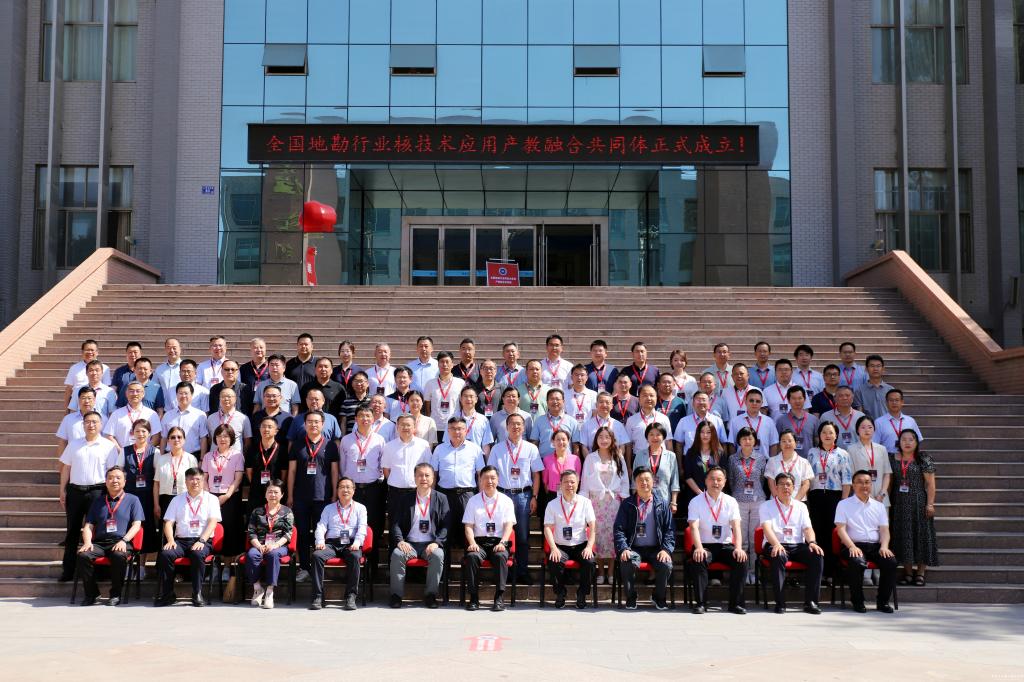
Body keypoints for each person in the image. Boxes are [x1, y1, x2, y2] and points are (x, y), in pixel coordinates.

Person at [58, 411, 120, 582]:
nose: (91, 425)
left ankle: (99, 572)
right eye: (88, 422)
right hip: (75, 491)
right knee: (72, 531)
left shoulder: (108, 446)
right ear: (83, 424)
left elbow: (112, 473)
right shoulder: (74, 444)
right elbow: (66, 468)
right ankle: (68, 571)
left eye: (94, 422)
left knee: (99, 532)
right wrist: (62, 490)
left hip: (98, 492)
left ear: (100, 425)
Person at [75, 466, 144, 606]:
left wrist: (124, 540)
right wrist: (87, 542)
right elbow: (88, 526)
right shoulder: (98, 501)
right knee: (83, 555)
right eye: (110, 478)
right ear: (106, 482)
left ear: (125, 481)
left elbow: (137, 525)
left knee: (118, 555)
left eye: (118, 478)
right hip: (100, 543)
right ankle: (92, 594)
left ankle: (115, 594)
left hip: (122, 542)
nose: (114, 481)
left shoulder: (133, 500)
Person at [488, 413, 543, 584]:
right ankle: (504, 572)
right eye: (512, 424)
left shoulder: (531, 448)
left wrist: (534, 496)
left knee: (522, 536)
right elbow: (491, 474)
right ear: (506, 427)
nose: (516, 427)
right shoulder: (497, 449)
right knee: (501, 534)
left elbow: (536, 475)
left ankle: (522, 572)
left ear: (524, 427)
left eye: (519, 424)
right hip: (502, 495)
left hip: (523, 496)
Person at [154, 467, 222, 607]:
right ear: (185, 481)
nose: (195, 482)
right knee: (166, 554)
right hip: (180, 541)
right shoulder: (177, 500)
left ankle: (197, 593)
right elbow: (168, 523)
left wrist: (202, 540)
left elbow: (213, 522)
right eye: (191, 479)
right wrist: (170, 540)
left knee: (197, 554)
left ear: (203, 481)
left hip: (202, 540)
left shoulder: (212, 499)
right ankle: (168, 594)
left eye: (198, 479)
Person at [758, 472, 824, 614]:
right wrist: (776, 544)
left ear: (794, 487)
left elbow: (807, 528)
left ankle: (811, 602)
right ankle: (780, 603)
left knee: (816, 555)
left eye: (788, 484)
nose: (785, 487)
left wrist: (812, 542)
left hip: (797, 546)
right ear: (775, 487)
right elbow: (767, 529)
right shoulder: (766, 506)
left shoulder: (801, 506)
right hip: (774, 544)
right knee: (778, 555)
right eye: (781, 484)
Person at [834, 470, 898, 613]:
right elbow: (840, 529)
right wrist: (851, 546)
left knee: (890, 562)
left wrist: (884, 546)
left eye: (867, 482)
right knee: (857, 562)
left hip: (875, 546)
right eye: (860, 482)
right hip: (852, 545)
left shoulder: (879, 506)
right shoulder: (843, 504)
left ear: (871, 485)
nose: (864, 485)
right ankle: (857, 601)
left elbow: (884, 530)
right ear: (853, 485)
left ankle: (883, 602)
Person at [686, 466, 747, 614]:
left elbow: (736, 526)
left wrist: (738, 548)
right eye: (712, 479)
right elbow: (693, 527)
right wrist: (698, 548)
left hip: (725, 546)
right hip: (704, 545)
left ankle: (735, 604)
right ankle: (701, 603)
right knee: (699, 558)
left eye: (719, 479)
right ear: (705, 481)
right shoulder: (696, 501)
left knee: (741, 559)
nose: (716, 482)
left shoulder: (731, 501)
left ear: (724, 482)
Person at [388, 463, 450, 609]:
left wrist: (437, 542)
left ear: (433, 478)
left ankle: (431, 595)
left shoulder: (441, 498)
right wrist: (400, 541)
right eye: (420, 475)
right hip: (410, 544)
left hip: (430, 543)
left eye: (427, 475)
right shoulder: (405, 499)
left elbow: (446, 525)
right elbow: (396, 523)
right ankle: (396, 595)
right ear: (414, 478)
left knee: (438, 555)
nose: (424, 478)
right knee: (397, 554)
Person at [289, 411, 341, 581]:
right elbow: (292, 471)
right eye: (310, 421)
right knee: (303, 534)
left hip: (323, 498)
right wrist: (290, 495)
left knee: (321, 535)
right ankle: (304, 567)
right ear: (304, 424)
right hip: (300, 497)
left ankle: (319, 568)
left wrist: (334, 494)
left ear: (322, 424)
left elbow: (334, 471)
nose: (313, 425)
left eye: (317, 422)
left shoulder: (331, 445)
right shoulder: (297, 445)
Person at [614, 467, 674, 610]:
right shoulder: (628, 504)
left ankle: (658, 597)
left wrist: (666, 549)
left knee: (666, 564)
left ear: (653, 481)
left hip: (656, 549)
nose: (644, 483)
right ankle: (631, 597)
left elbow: (669, 530)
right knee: (627, 561)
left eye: (647, 479)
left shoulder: (661, 504)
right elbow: (619, 529)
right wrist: (624, 548)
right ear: (635, 483)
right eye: (640, 480)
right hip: (634, 549)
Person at [461, 466, 517, 611]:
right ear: (480, 480)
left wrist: (503, 542)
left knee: (500, 556)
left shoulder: (506, 500)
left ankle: (499, 597)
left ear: (498, 480)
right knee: (472, 556)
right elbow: (468, 526)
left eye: (493, 478)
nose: (489, 481)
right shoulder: (473, 501)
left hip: (499, 542)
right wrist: (472, 543)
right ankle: (474, 598)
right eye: (486, 478)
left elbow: (509, 525)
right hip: (478, 542)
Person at [580, 426, 630, 584]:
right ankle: (600, 570)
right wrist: (584, 500)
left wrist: (624, 498)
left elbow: (625, 479)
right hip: (596, 502)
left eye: (607, 437)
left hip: (614, 502)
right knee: (597, 535)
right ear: (596, 439)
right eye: (600, 437)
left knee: (612, 535)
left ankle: (611, 571)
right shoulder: (591, 458)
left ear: (612, 439)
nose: (604, 440)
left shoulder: (618, 457)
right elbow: (585, 480)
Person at [339, 406, 387, 570]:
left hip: (373, 489)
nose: (365, 419)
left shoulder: (379, 440)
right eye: (361, 416)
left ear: (373, 419)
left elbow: (382, 464)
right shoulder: (346, 440)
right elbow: (342, 465)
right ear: (356, 419)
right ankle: (353, 567)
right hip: (352, 491)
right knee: (351, 525)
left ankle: (373, 568)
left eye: (368, 416)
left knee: (373, 527)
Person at [890, 429, 938, 586]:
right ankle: (908, 572)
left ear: (916, 442)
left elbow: (930, 484)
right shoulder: (892, 458)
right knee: (904, 536)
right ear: (899, 442)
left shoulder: (923, 458)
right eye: (904, 439)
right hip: (899, 503)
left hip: (919, 503)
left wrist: (930, 504)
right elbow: (889, 483)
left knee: (922, 536)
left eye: (911, 439)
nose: (907, 442)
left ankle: (921, 573)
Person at [310, 478, 367, 611]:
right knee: (317, 556)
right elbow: (321, 526)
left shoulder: (360, 508)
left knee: (355, 556)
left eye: (348, 487)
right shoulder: (329, 508)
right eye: (342, 487)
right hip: (332, 543)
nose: (345, 490)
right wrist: (320, 541)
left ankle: (351, 596)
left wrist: (357, 542)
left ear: (353, 490)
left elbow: (362, 528)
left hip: (350, 544)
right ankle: (318, 596)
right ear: (337, 490)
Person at [543, 469, 597, 609]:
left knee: (590, 562)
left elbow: (592, 526)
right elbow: (547, 528)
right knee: (554, 560)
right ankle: (560, 593)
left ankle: (582, 594)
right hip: (560, 546)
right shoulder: (552, 504)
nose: (569, 485)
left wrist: (589, 547)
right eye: (566, 482)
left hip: (581, 545)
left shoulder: (585, 502)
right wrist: (553, 548)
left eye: (572, 482)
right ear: (560, 484)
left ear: (578, 484)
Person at [430, 416, 486, 547]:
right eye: (453, 429)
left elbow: (480, 475)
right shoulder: (439, 449)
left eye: (460, 428)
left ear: (466, 430)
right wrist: (431, 495)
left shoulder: (475, 449)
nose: (457, 432)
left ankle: (468, 557)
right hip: (444, 495)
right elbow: (433, 474)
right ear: (448, 431)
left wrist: (481, 496)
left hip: (467, 495)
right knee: (444, 530)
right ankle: (444, 560)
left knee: (468, 530)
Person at [806, 421, 852, 578]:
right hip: (816, 497)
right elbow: (807, 477)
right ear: (819, 435)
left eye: (831, 432)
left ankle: (832, 572)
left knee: (833, 534)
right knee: (817, 532)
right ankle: (818, 572)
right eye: (824, 432)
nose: (827, 435)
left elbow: (847, 480)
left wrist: (844, 502)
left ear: (836, 435)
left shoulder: (843, 454)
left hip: (835, 497)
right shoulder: (812, 452)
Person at [201, 424, 246, 575]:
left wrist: (226, 496)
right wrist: (209, 496)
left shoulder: (237, 455)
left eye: (226, 436)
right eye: (219, 436)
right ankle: (214, 567)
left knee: (229, 532)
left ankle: (227, 567)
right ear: (215, 438)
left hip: (230, 498)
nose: (222, 439)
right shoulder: (208, 456)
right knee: (212, 531)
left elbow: (238, 479)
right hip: (211, 497)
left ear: (231, 438)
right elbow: (204, 478)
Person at [114, 419, 159, 565]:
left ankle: (141, 565)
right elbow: (118, 472)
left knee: (146, 529)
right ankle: (127, 562)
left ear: (149, 433)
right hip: (129, 496)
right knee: (128, 526)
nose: (140, 434)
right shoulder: (125, 451)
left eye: (144, 431)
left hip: (147, 497)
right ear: (132, 433)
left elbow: (157, 478)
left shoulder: (155, 451)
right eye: (137, 431)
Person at [728, 426, 769, 583]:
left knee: (754, 539)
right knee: (742, 539)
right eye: (744, 438)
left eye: (750, 438)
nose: (747, 441)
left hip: (758, 500)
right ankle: (743, 572)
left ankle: (754, 572)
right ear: (739, 441)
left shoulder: (761, 458)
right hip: (739, 501)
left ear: (755, 441)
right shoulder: (732, 459)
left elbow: (762, 480)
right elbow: (731, 480)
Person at [244, 479, 294, 609]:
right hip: (259, 544)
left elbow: (288, 534)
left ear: (282, 494)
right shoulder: (257, 511)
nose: (272, 495)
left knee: (273, 555)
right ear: (265, 494)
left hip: (279, 545)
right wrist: (258, 545)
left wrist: (275, 545)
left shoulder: (287, 511)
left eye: (276, 492)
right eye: (270, 492)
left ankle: (270, 591)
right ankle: (257, 588)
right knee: (251, 555)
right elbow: (251, 532)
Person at [381, 414, 433, 524]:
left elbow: (428, 468)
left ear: (414, 427)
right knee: (394, 524)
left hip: (416, 492)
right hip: (395, 493)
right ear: (397, 427)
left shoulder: (423, 445)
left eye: (408, 425)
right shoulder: (389, 446)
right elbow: (386, 469)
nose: (405, 427)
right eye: (402, 425)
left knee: (413, 524)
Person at [632, 423, 680, 515]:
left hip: (664, 500)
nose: (655, 437)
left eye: (658, 434)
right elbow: (634, 481)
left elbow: (675, 481)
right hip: (642, 500)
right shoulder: (639, 455)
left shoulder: (671, 456)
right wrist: (635, 501)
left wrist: (674, 502)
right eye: (651, 434)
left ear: (663, 437)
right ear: (647, 437)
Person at [153, 427, 199, 521]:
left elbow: (196, 483)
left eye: (179, 437)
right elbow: (156, 484)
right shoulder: (161, 459)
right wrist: (156, 505)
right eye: (173, 437)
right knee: (166, 526)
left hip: (185, 499)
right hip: (165, 500)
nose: (176, 439)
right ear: (168, 440)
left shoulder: (191, 459)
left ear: (184, 440)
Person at [245, 416, 287, 514]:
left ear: (276, 431)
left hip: (274, 494)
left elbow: (284, 474)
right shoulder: (252, 449)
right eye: (263, 426)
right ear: (259, 429)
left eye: (269, 427)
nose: (266, 429)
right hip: (256, 492)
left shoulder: (282, 450)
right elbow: (249, 472)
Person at [846, 416, 892, 505]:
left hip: (881, 498)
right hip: (861, 496)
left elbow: (887, 473)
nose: (867, 430)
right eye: (863, 427)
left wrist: (882, 493)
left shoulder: (882, 449)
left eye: (870, 427)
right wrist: (868, 496)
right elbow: (851, 475)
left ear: (874, 430)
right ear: (857, 430)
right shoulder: (851, 449)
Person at [623, 385, 672, 468]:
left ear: (656, 398)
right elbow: (628, 445)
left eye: (651, 395)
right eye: (645, 395)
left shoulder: (664, 418)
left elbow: (668, 442)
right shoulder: (631, 420)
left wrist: (671, 464)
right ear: (639, 399)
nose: (649, 398)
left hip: (661, 460)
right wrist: (628, 467)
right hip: (639, 459)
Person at [682, 421, 728, 508]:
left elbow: (723, 475)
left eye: (708, 432)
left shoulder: (719, 453)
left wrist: (713, 494)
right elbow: (688, 476)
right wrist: (701, 494)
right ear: (698, 434)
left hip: (715, 496)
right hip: (696, 496)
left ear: (713, 434)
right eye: (702, 432)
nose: (705, 435)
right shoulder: (691, 452)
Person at [102, 381, 161, 448]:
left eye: (138, 391)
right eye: (131, 391)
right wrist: (121, 451)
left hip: (145, 453)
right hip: (122, 452)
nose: (135, 394)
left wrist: (145, 451)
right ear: (126, 394)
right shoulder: (116, 414)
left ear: (143, 394)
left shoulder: (152, 414)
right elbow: (108, 435)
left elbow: (156, 437)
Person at [424, 351, 465, 441]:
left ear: (452, 365)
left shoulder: (460, 383)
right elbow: (427, 406)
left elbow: (463, 404)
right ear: (438, 364)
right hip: (435, 426)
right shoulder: (430, 383)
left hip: (454, 426)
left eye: (447, 362)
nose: (444, 364)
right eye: (442, 362)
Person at [574, 391, 629, 458]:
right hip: (593, 462)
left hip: (613, 461)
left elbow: (622, 446)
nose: (604, 405)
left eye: (607, 402)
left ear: (612, 406)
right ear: (596, 405)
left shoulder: (618, 425)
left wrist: (616, 460)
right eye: (601, 402)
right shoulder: (586, 425)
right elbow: (584, 447)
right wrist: (590, 461)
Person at [160, 382, 210, 455]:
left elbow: (203, 439)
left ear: (192, 395)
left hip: (193, 456)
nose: (183, 396)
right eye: (180, 393)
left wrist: (202, 459)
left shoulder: (200, 415)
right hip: (170, 456)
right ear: (176, 395)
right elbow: (164, 438)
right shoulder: (167, 415)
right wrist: (161, 457)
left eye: (186, 393)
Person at [765, 430, 814, 502]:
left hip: (798, 502)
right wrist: (779, 501)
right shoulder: (772, 461)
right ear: (780, 444)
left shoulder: (804, 462)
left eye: (790, 441)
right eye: (784, 441)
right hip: (776, 503)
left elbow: (806, 484)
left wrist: (795, 502)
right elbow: (771, 483)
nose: (787, 443)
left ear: (795, 443)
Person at [728, 388, 779, 458]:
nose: (754, 403)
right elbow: (732, 445)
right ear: (745, 402)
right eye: (751, 400)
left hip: (765, 462)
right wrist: (734, 461)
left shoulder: (769, 421)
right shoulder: (735, 421)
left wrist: (771, 462)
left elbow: (773, 444)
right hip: (742, 462)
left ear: (762, 403)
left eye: (758, 401)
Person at [672, 391, 727, 455]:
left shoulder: (718, 421)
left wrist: (723, 460)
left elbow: (723, 443)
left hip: (712, 458)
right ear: (693, 404)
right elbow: (679, 445)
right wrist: (680, 462)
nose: (701, 402)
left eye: (704, 400)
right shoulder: (684, 421)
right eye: (698, 400)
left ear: (709, 404)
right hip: (690, 458)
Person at [872, 388, 924, 454]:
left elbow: (918, 440)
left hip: (908, 457)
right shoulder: (879, 422)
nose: (894, 403)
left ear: (902, 402)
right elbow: (874, 444)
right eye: (891, 400)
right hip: (887, 457)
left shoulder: (910, 421)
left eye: (897, 400)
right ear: (886, 403)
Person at [530, 388, 579, 458]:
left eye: (557, 399)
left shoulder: (572, 421)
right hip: (544, 460)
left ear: (563, 402)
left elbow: (575, 446)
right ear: (547, 402)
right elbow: (534, 443)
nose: (555, 402)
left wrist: (575, 462)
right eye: (552, 399)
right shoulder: (539, 421)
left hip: (566, 460)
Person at [540, 430, 582, 508]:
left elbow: (578, 480)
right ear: (553, 442)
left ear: (568, 441)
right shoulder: (546, 459)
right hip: (552, 495)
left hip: (570, 494)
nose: (561, 442)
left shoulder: (575, 459)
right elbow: (545, 482)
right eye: (558, 439)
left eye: (563, 439)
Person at [206, 387, 252, 456]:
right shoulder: (211, 418)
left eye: (229, 396)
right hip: (214, 458)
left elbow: (247, 441)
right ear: (219, 399)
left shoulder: (243, 418)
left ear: (235, 399)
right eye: (223, 397)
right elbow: (209, 440)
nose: (226, 399)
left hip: (235, 458)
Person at [63, 339, 111, 406]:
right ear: (82, 352)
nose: (90, 352)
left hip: (98, 404)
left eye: (92, 350)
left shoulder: (105, 368)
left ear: (97, 352)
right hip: (77, 404)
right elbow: (69, 390)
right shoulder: (74, 368)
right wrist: (66, 408)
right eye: (87, 350)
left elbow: (106, 388)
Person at [775, 386, 818, 459]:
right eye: (794, 398)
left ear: (804, 399)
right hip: (788, 461)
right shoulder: (781, 420)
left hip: (809, 460)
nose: (797, 401)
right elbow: (778, 444)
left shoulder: (813, 419)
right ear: (788, 400)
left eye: (800, 398)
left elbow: (817, 441)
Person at [449, 385, 494, 454]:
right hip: (456, 456)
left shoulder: (483, 420)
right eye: (465, 396)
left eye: (471, 396)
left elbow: (486, 446)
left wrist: (486, 460)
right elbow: (447, 442)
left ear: (476, 399)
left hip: (476, 458)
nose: (468, 399)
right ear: (460, 399)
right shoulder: (452, 418)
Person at [57, 386, 100, 455]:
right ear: (78, 400)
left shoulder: (102, 418)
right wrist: (62, 460)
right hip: (73, 458)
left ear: (94, 400)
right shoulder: (68, 419)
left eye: (89, 398)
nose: (86, 401)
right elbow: (63, 441)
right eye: (83, 398)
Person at [854, 354, 894, 420]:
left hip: (888, 424)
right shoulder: (859, 390)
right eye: (872, 366)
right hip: (869, 425)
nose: (875, 369)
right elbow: (859, 413)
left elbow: (894, 410)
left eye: (878, 366)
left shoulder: (890, 390)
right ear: (866, 369)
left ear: (883, 369)